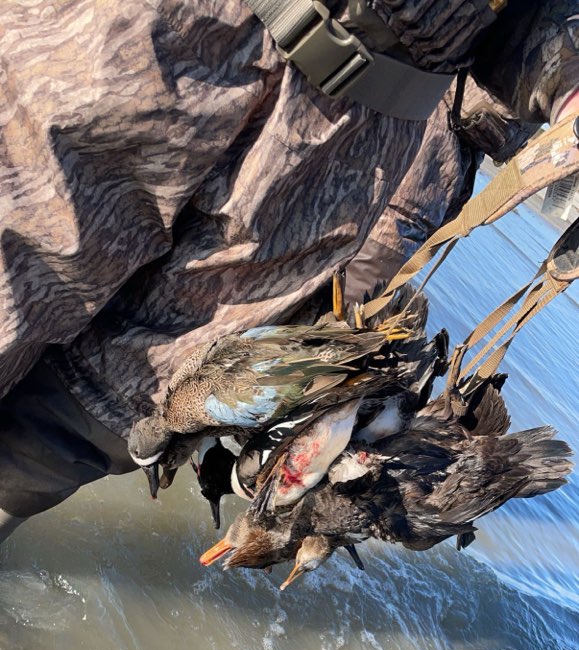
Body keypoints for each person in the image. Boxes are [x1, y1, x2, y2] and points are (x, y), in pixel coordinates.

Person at [0, 0, 577, 541]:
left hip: (344, 176)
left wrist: (568, 75)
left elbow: (525, 26)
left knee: (102, 417)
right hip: (144, 46)